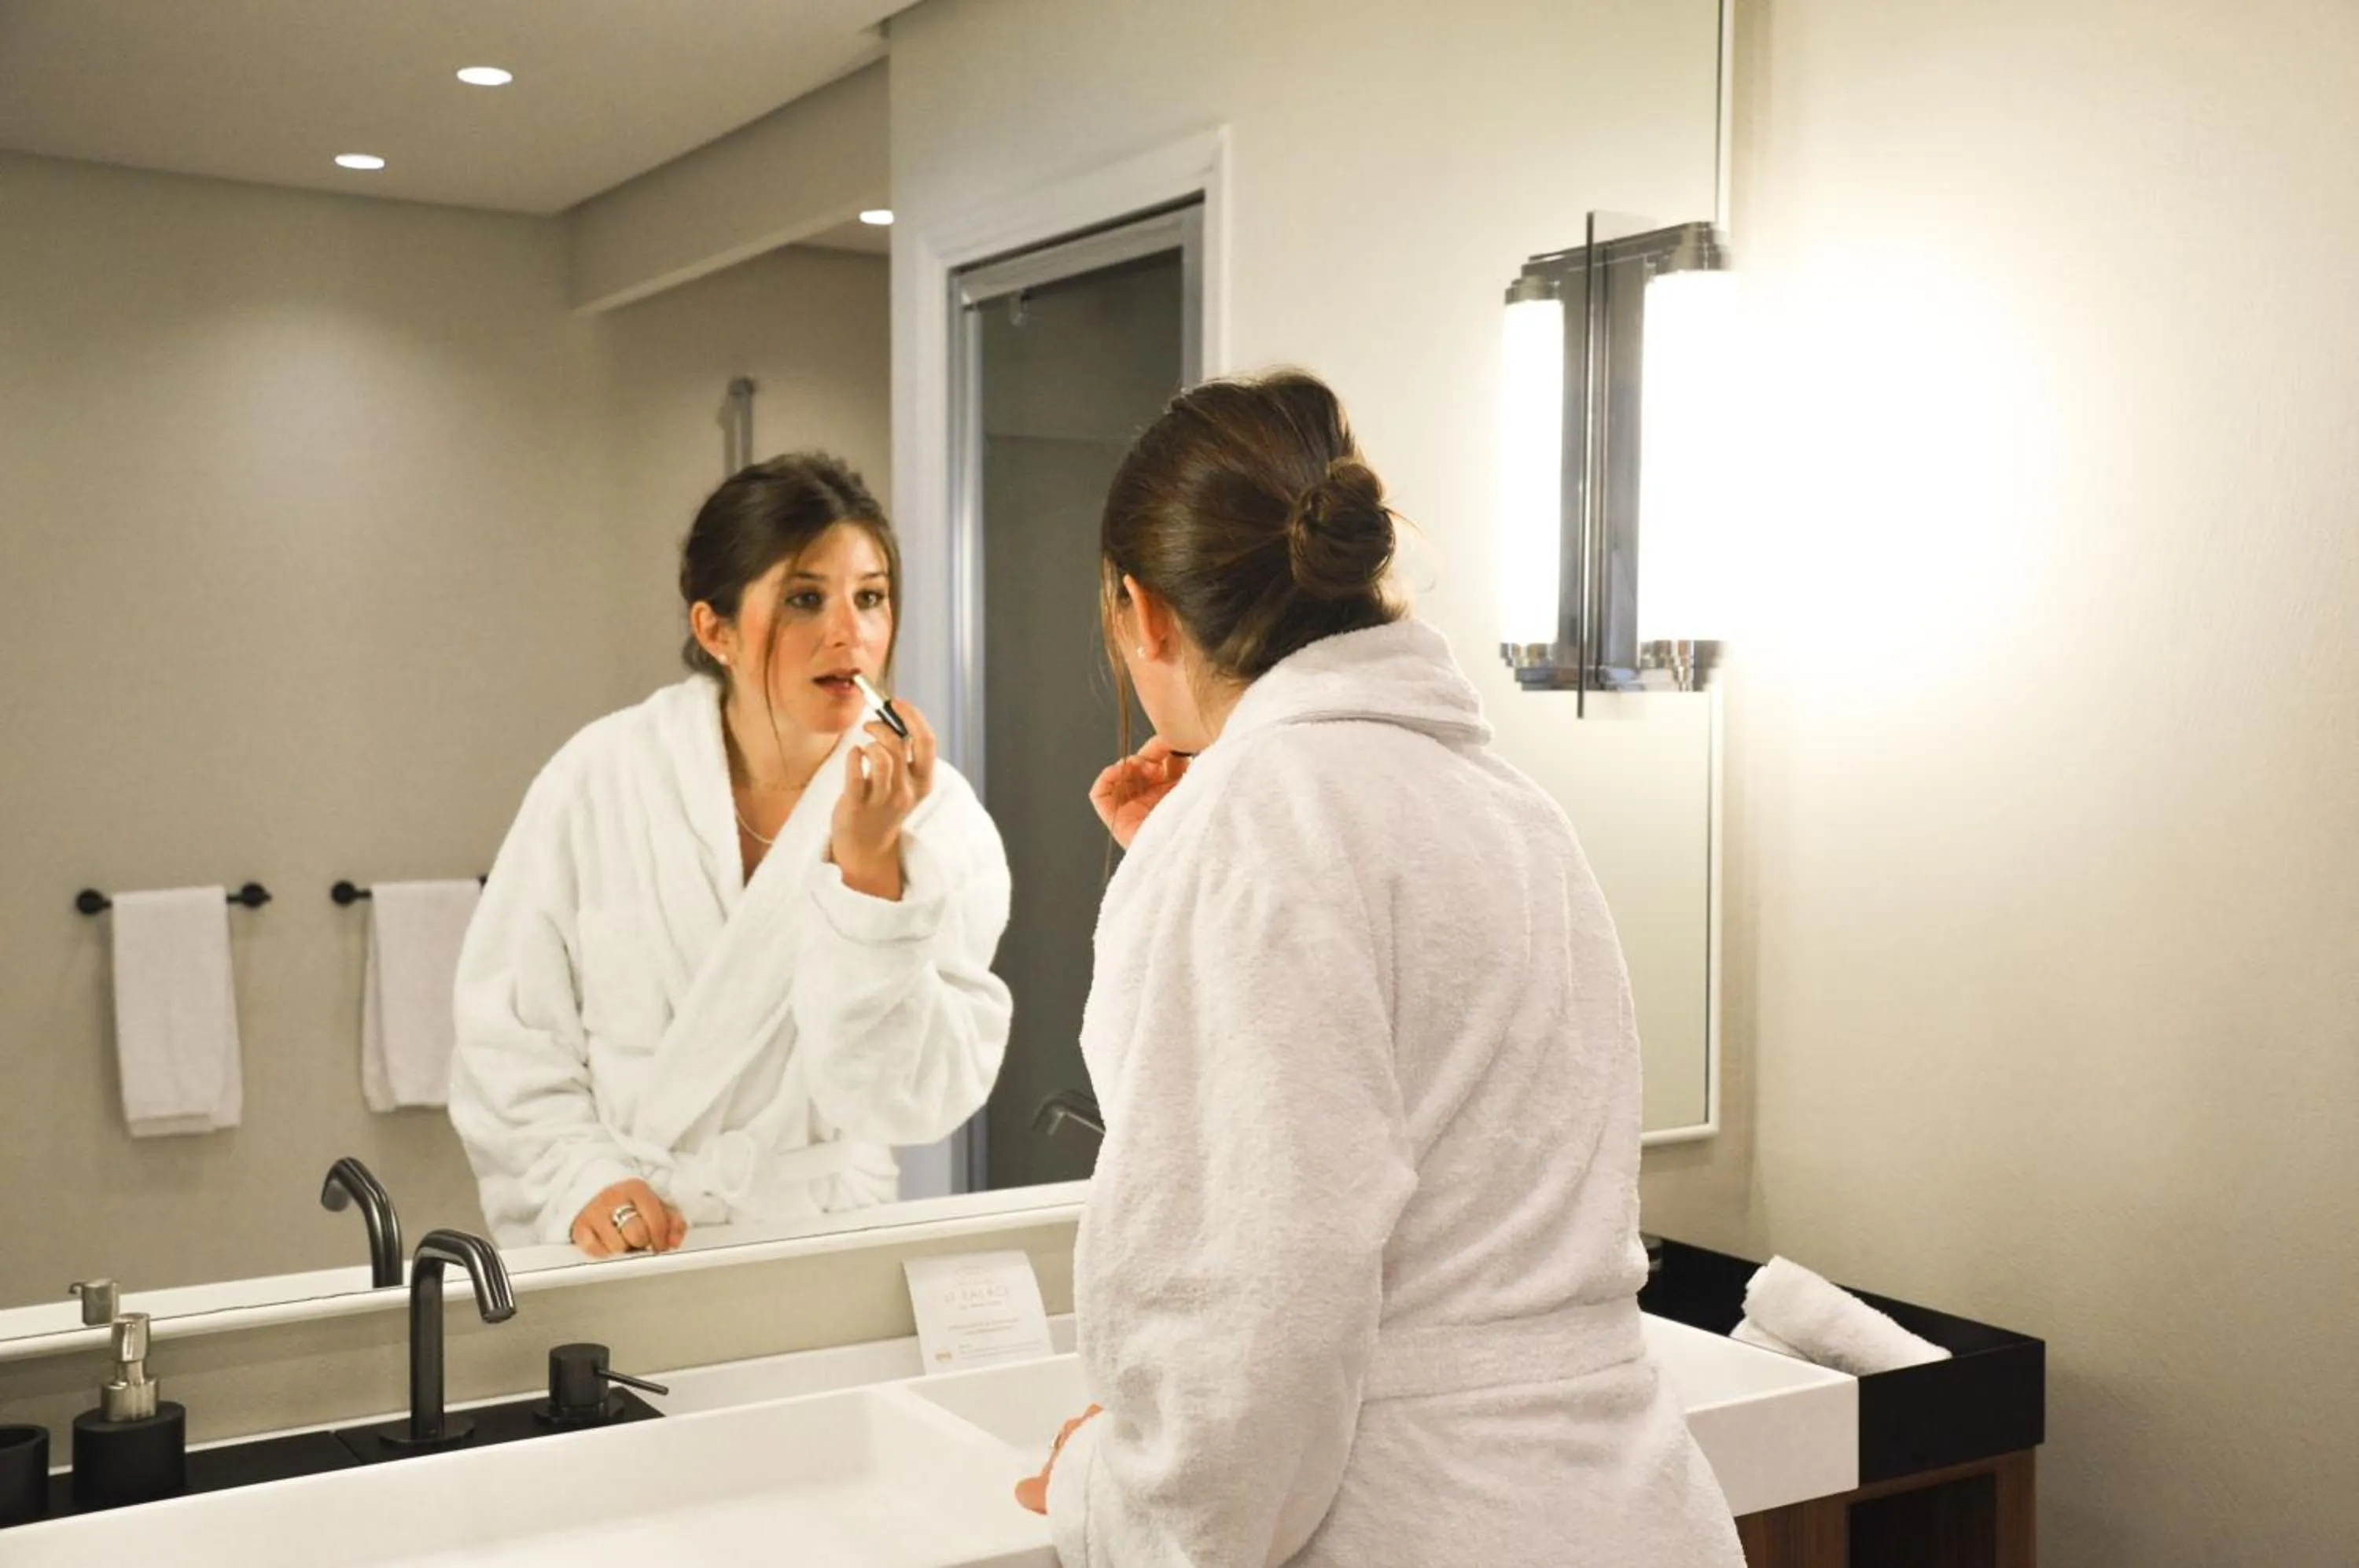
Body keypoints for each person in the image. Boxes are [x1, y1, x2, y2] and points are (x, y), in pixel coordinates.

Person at [1015, 373, 1745, 1566]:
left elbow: (1257, 1302)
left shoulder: (1255, 823)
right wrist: (1191, 882)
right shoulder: (1509, 806)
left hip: (1420, 1514)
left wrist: (1111, 1491)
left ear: (1143, 612)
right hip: (1628, 1501)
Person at [448, 454, 1013, 1257]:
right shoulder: (601, 776)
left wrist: (872, 868)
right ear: (714, 628)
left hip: (819, 1242)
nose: (850, 632)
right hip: (621, 1232)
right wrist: (579, 1179)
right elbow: (505, 1030)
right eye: (805, 599)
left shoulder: (939, 815)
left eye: (872, 596)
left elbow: (913, 1098)